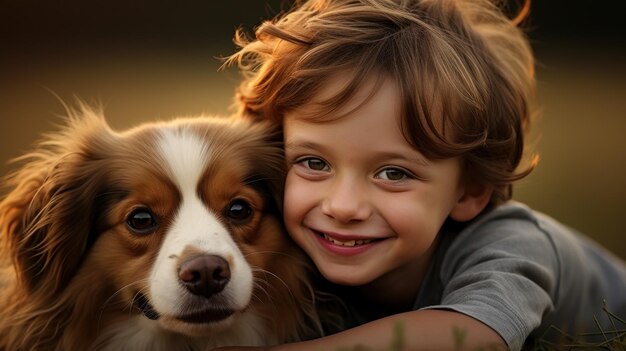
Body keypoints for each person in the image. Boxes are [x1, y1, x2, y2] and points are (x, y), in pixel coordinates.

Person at [222, 0, 626, 349]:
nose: (343, 207)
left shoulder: (509, 244)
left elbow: (475, 337)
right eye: (314, 163)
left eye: (393, 173)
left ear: (470, 190)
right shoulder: (290, 244)